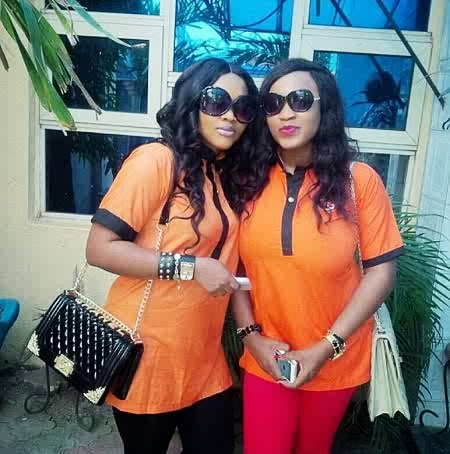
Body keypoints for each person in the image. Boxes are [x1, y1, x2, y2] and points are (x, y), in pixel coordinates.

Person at [86, 57, 260, 454]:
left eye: (243, 107)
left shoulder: (221, 175)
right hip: (148, 353)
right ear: (192, 102)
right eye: (216, 101)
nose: (230, 115)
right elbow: (99, 248)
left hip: (204, 357)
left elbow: (231, 262)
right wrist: (190, 267)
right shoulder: (156, 160)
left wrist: (251, 332)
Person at [232, 58, 404, 454]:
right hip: (267, 356)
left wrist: (326, 347)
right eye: (273, 104)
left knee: (314, 448)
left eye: (299, 100)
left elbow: (381, 272)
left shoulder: (358, 181)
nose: (285, 113)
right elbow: (236, 272)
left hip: (334, 357)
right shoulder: (248, 181)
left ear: (324, 106)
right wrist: (251, 338)